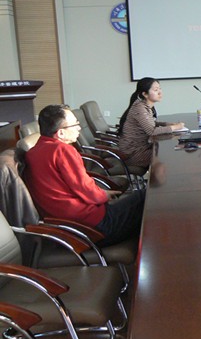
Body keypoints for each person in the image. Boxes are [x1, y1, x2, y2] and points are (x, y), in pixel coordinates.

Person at [24, 104, 144, 246]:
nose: (79, 128)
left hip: (67, 228)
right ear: (61, 133)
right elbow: (85, 189)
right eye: (75, 124)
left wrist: (103, 193)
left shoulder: (33, 152)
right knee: (144, 197)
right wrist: (104, 195)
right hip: (93, 228)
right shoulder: (62, 150)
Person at [117, 78, 185, 170]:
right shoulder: (140, 108)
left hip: (141, 148)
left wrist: (167, 124)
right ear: (145, 94)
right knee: (168, 155)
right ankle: (160, 178)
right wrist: (175, 127)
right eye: (156, 90)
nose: (160, 92)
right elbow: (152, 131)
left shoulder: (144, 106)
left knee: (168, 151)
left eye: (160, 88)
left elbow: (150, 123)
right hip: (132, 154)